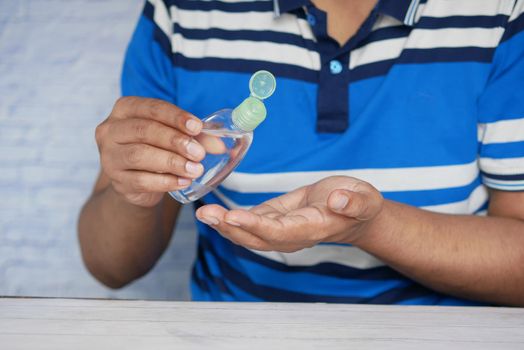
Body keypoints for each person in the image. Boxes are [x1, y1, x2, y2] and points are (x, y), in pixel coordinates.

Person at [78, 0, 524, 305]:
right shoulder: (184, 13)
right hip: (235, 332)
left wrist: (372, 226)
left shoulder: (499, 14)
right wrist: (134, 190)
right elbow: (110, 266)